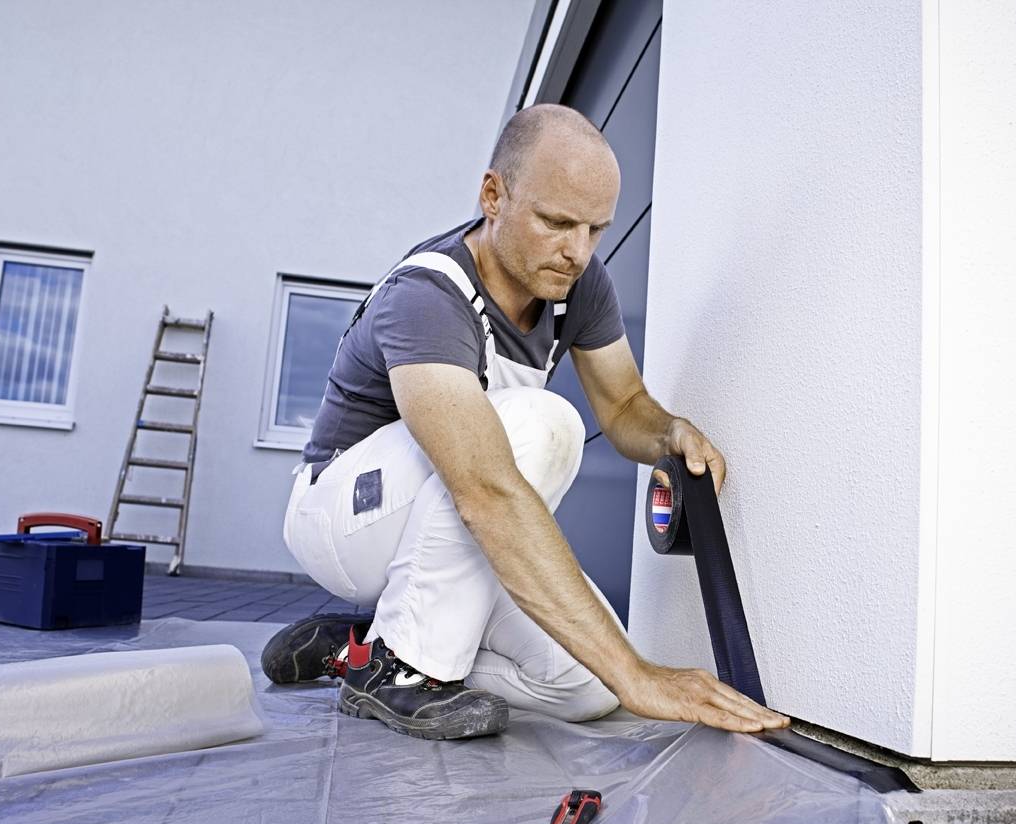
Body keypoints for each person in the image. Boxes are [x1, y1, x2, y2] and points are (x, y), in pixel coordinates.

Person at [267, 103, 789, 741]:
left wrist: (668, 432)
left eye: (596, 229)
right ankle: (402, 670)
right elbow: (484, 490)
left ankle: (365, 646)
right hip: (343, 517)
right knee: (544, 423)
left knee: (587, 687)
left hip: (447, 513)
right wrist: (640, 675)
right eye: (557, 222)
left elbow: (624, 405)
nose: (577, 252)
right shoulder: (427, 297)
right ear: (494, 195)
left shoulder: (578, 284)